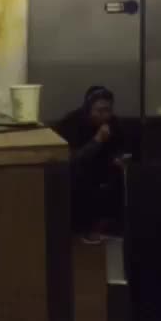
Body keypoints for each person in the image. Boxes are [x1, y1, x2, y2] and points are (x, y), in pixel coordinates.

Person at [54, 86, 126, 243]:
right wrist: (97, 140)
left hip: (103, 168)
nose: (104, 115)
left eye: (108, 110)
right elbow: (73, 159)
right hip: (75, 170)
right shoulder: (72, 122)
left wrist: (119, 158)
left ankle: (110, 227)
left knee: (123, 176)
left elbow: (118, 149)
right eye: (99, 111)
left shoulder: (114, 123)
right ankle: (85, 229)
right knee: (82, 176)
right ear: (88, 110)